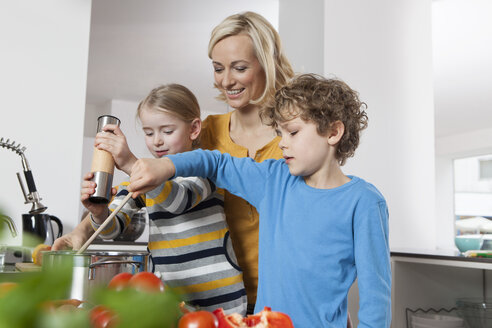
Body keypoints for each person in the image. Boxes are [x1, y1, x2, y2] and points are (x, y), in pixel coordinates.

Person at [127, 74, 392, 327]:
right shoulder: (273, 179)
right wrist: (167, 166)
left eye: (293, 132)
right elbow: (216, 163)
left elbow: (375, 297)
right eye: (280, 133)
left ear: (333, 132)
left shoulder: (365, 202)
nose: (283, 143)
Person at [54, 84, 247, 314]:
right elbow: (111, 229)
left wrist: (129, 163)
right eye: (148, 132)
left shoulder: (207, 166)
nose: (157, 141)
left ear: (194, 129)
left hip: (222, 299)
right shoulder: (142, 177)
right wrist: (99, 212)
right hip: (173, 302)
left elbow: (179, 201)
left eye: (167, 131)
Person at [201, 11, 294, 312]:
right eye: (218, 68)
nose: (226, 81)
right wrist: (88, 224)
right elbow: (155, 186)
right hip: (220, 301)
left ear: (267, 63)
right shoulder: (206, 132)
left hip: (287, 298)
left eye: (239, 68)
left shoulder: (297, 135)